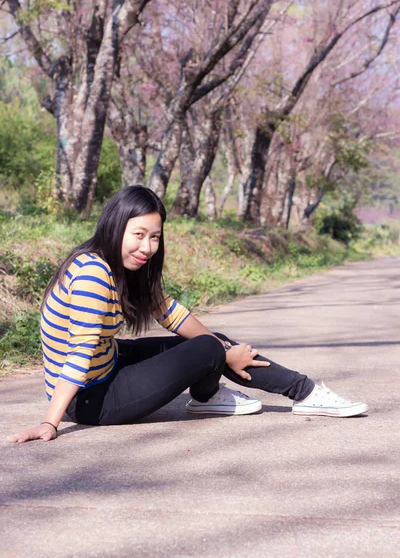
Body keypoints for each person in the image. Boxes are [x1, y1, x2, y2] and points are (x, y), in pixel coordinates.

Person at [8, 186, 368, 443]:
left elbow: (172, 314)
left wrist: (220, 347)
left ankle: (290, 391)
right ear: (115, 225)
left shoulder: (117, 266)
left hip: (108, 366)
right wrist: (49, 423)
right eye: (138, 234)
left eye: (155, 237)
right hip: (90, 399)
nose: (147, 247)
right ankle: (299, 393)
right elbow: (80, 352)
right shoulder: (92, 274)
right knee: (210, 348)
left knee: (210, 342)